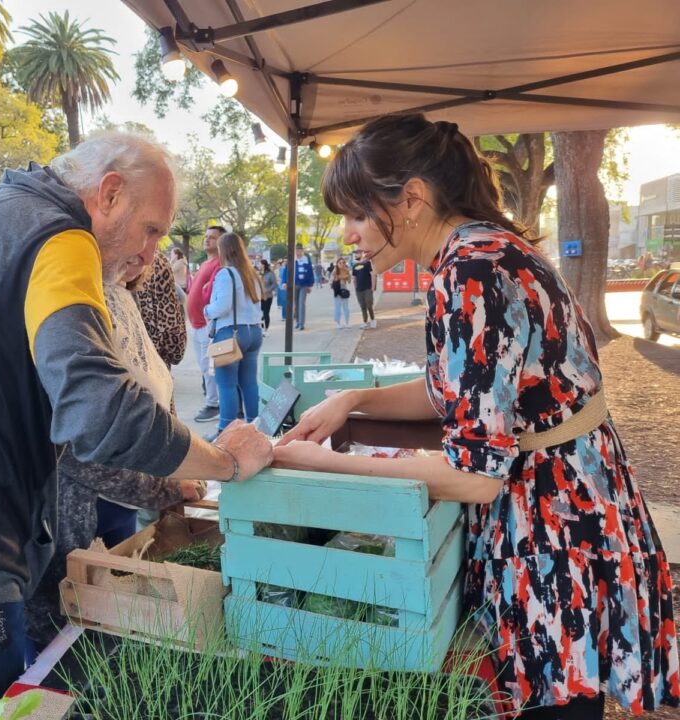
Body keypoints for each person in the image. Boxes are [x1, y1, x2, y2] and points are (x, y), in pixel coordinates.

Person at [0, 133, 272, 720]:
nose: (150, 255)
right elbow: (101, 413)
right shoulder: (62, 238)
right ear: (109, 193)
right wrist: (226, 461)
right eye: (151, 230)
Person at [272, 114, 680, 719]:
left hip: (553, 524)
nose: (347, 234)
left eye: (356, 214)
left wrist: (321, 465)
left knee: (554, 704)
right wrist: (352, 401)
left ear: (411, 199)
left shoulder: (469, 271)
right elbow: (460, 393)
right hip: (574, 501)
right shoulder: (482, 249)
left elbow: (474, 476)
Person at [25, 250, 203, 651]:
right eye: (147, 230)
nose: (148, 252)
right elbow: (83, 443)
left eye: (157, 237)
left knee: (113, 623)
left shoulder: (120, 294)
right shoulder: (70, 302)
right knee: (65, 644)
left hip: (120, 503)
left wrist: (175, 467)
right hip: (72, 517)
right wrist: (169, 484)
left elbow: (152, 399)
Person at [203, 232, 263, 436]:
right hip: (253, 331)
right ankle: (254, 427)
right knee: (249, 382)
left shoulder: (226, 274)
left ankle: (225, 430)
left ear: (224, 251)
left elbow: (222, 306)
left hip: (230, 333)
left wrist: (206, 310)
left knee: (226, 384)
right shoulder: (251, 273)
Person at [186, 225, 226, 423]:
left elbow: (213, 293)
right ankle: (213, 401)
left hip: (208, 326)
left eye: (212, 237)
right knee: (205, 367)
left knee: (211, 367)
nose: (207, 239)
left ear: (221, 242)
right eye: (206, 236)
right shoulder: (205, 264)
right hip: (196, 325)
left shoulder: (220, 264)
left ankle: (214, 404)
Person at [279, 244, 315, 330]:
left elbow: (310, 272)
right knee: (296, 304)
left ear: (302, 251)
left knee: (302, 303)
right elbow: (286, 272)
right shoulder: (292, 260)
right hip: (294, 284)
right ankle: (298, 321)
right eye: (297, 250)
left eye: (300, 250)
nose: (298, 252)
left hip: (304, 285)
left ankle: (301, 323)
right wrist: (284, 282)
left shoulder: (306, 260)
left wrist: (310, 285)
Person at [351, 250, 377, 328]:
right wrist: (355, 287)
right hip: (359, 290)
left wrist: (373, 287)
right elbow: (354, 278)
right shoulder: (354, 266)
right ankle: (365, 322)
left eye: (358, 253)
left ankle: (373, 319)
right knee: (363, 306)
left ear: (362, 254)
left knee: (369, 305)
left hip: (367, 288)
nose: (356, 255)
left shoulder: (367, 263)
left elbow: (373, 275)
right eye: (355, 253)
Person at [330, 256, 351, 329]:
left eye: (343, 262)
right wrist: (343, 277)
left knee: (346, 307)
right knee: (337, 307)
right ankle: (337, 323)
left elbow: (349, 280)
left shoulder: (346, 270)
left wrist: (347, 273)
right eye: (340, 263)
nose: (342, 264)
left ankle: (347, 323)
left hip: (344, 289)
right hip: (337, 289)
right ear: (337, 263)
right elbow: (333, 279)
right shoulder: (335, 270)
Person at [258, 259, 277, 336]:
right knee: (260, 312)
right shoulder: (258, 273)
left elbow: (274, 284)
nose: (259, 265)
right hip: (259, 296)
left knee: (266, 312)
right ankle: (262, 327)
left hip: (268, 296)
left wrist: (267, 290)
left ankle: (266, 329)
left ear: (263, 265)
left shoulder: (270, 274)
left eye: (260, 264)